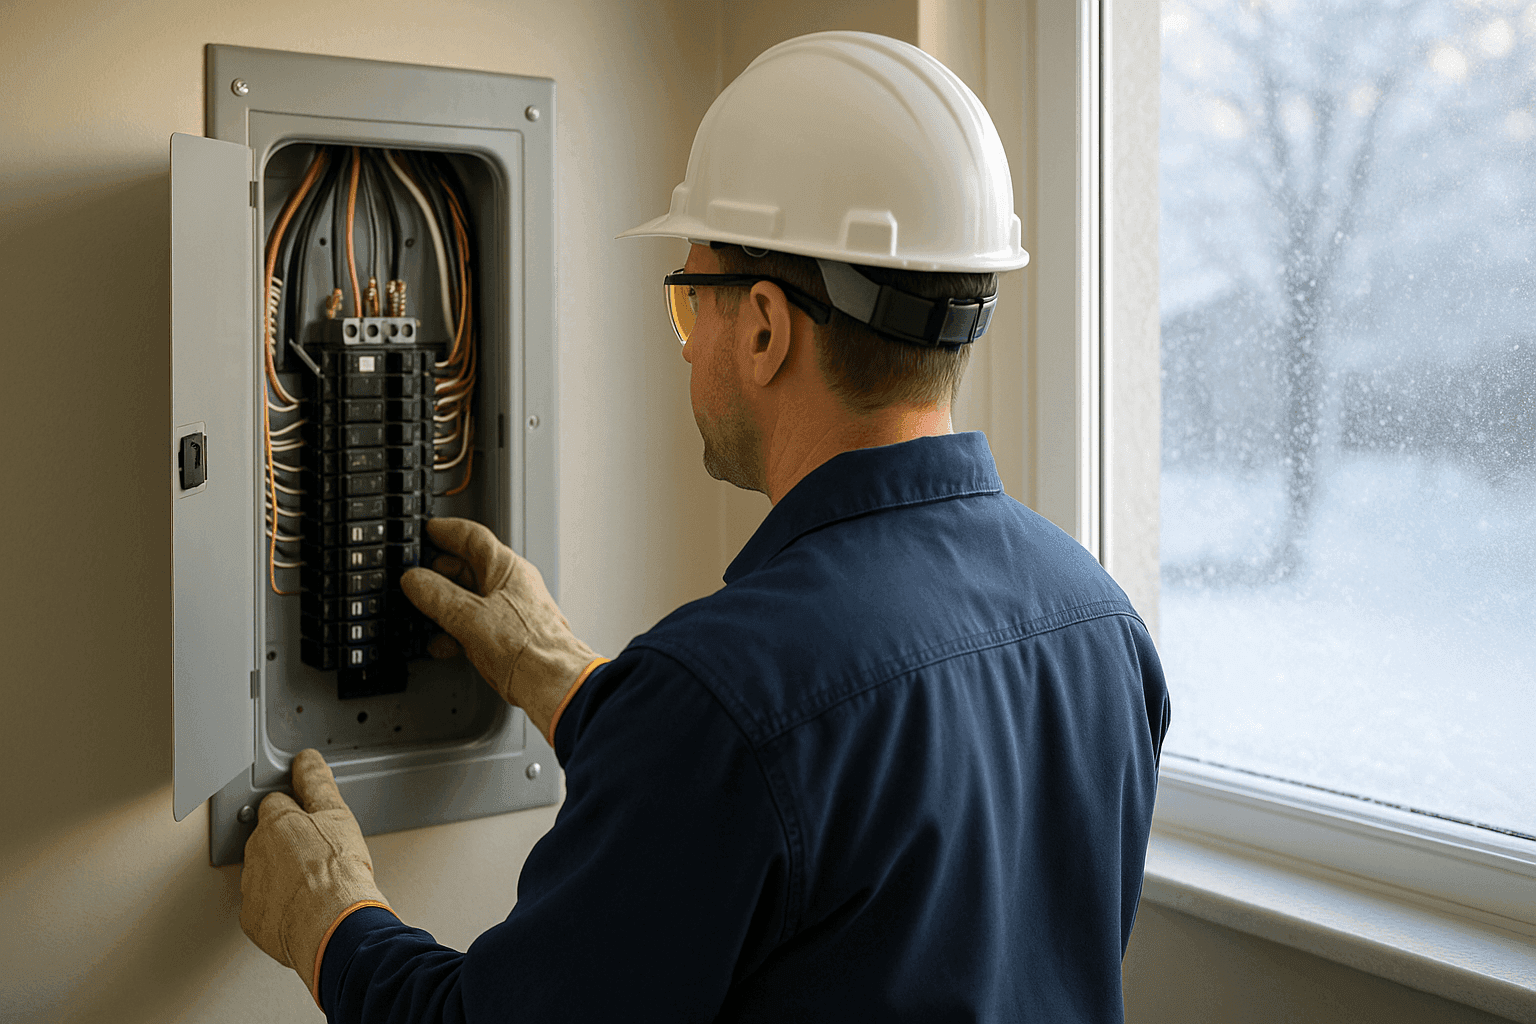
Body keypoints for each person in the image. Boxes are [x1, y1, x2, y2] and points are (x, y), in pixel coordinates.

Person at [238, 31, 1170, 1023]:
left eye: (689, 311)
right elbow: (813, 817)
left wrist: (330, 919)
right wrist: (576, 682)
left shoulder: (721, 694)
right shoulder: (1100, 625)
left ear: (764, 327)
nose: (686, 353)